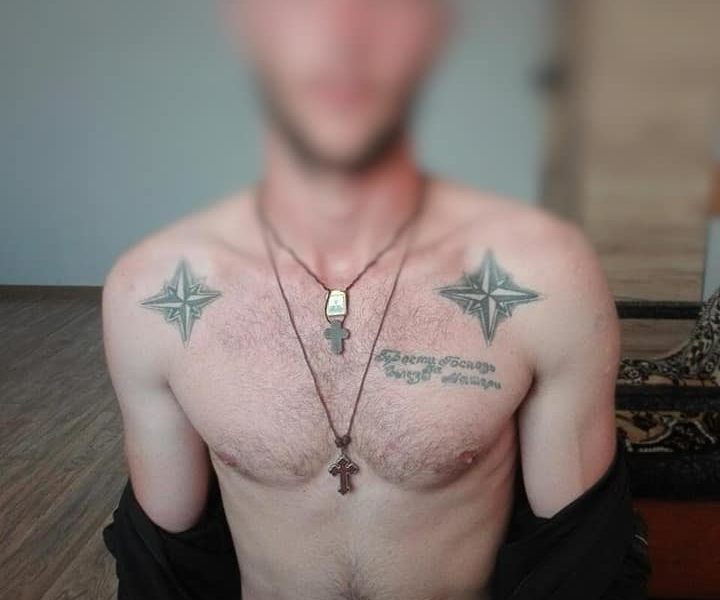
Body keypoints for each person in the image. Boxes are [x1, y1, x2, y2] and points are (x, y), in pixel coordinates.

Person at [102, 1, 648, 599]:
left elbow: (580, 564)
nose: (344, 39)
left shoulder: (546, 275)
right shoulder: (150, 291)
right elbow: (163, 566)